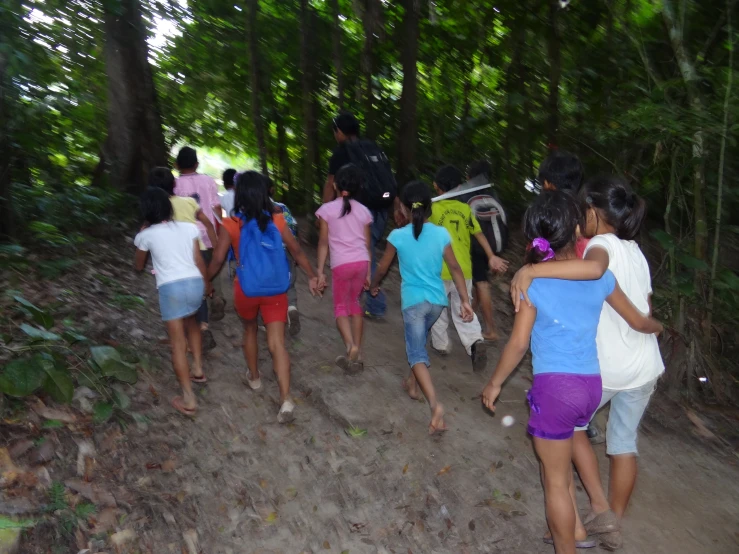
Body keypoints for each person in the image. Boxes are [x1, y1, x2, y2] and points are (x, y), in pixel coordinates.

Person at [481, 191, 662, 554]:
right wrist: (659, 327)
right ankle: (578, 533)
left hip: (555, 390)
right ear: (578, 230)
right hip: (590, 387)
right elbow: (638, 319)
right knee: (565, 467)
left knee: (556, 482)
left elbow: (517, 345)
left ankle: (567, 546)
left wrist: (494, 383)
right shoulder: (601, 279)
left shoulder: (534, 283)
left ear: (534, 235)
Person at [206, 171, 321, 423]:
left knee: (249, 330)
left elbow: (216, 260)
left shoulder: (232, 224)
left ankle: (255, 378)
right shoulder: (277, 221)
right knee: (277, 343)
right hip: (276, 288)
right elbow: (297, 251)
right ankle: (286, 399)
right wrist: (313, 275)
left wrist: (205, 281)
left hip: (246, 289)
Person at [370, 181, 474, 434]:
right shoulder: (440, 234)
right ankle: (412, 384)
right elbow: (457, 269)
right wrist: (466, 301)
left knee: (416, 353)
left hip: (414, 304)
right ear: (429, 207)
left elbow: (383, 267)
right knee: (418, 344)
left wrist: (374, 285)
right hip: (437, 304)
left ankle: (435, 405)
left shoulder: (397, 236)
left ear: (403, 209)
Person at [133, 188, 212, 415]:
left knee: (178, 343)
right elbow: (198, 260)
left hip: (171, 289)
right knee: (194, 323)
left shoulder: (145, 235)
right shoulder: (189, 228)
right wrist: (207, 285)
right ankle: (198, 368)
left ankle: (188, 399)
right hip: (195, 283)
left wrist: (142, 236)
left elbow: (138, 266)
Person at [429, 165, 509, 372]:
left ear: (436, 186)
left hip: (440, 269)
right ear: (459, 187)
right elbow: (479, 234)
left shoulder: (433, 209)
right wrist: (491, 256)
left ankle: (441, 345)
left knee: (437, 308)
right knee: (464, 307)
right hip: (464, 270)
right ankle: (475, 342)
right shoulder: (465, 209)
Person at [322, 112, 393, 319]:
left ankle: (375, 304)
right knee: (365, 251)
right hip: (380, 208)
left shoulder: (341, 153)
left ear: (340, 132)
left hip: (358, 210)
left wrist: (326, 210)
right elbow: (389, 177)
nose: (335, 135)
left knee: (363, 253)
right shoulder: (372, 147)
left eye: (335, 131)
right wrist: (396, 205)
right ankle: (362, 296)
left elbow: (330, 183)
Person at [316, 164, 373, 373]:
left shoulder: (326, 210)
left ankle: (351, 346)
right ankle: (358, 354)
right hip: (361, 262)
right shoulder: (364, 211)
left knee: (340, 306)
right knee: (355, 303)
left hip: (341, 264)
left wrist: (320, 270)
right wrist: (368, 272)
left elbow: (323, 242)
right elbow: (367, 244)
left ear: (335, 184)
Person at [174, 146, 224, 345]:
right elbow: (217, 208)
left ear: (177, 165)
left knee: (193, 272)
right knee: (210, 266)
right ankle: (216, 298)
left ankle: (196, 314)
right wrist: (219, 229)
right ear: (197, 164)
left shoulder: (174, 184)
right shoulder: (208, 181)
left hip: (185, 237)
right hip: (208, 231)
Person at [465, 159, 503, 340]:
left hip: (476, 246)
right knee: (480, 280)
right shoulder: (493, 194)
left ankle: (490, 329)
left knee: (481, 283)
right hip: (495, 245)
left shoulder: (468, 193)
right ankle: (472, 312)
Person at [149, 167, 218, 254]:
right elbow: (209, 225)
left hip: (172, 254)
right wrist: (215, 250)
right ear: (174, 183)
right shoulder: (189, 202)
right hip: (197, 251)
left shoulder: (154, 209)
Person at [268, 177, 301, 335]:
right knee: (290, 283)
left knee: (269, 286)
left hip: (266, 254)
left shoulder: (253, 210)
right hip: (285, 250)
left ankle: (269, 319)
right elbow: (293, 228)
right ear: (272, 190)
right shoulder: (281, 207)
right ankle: (292, 308)